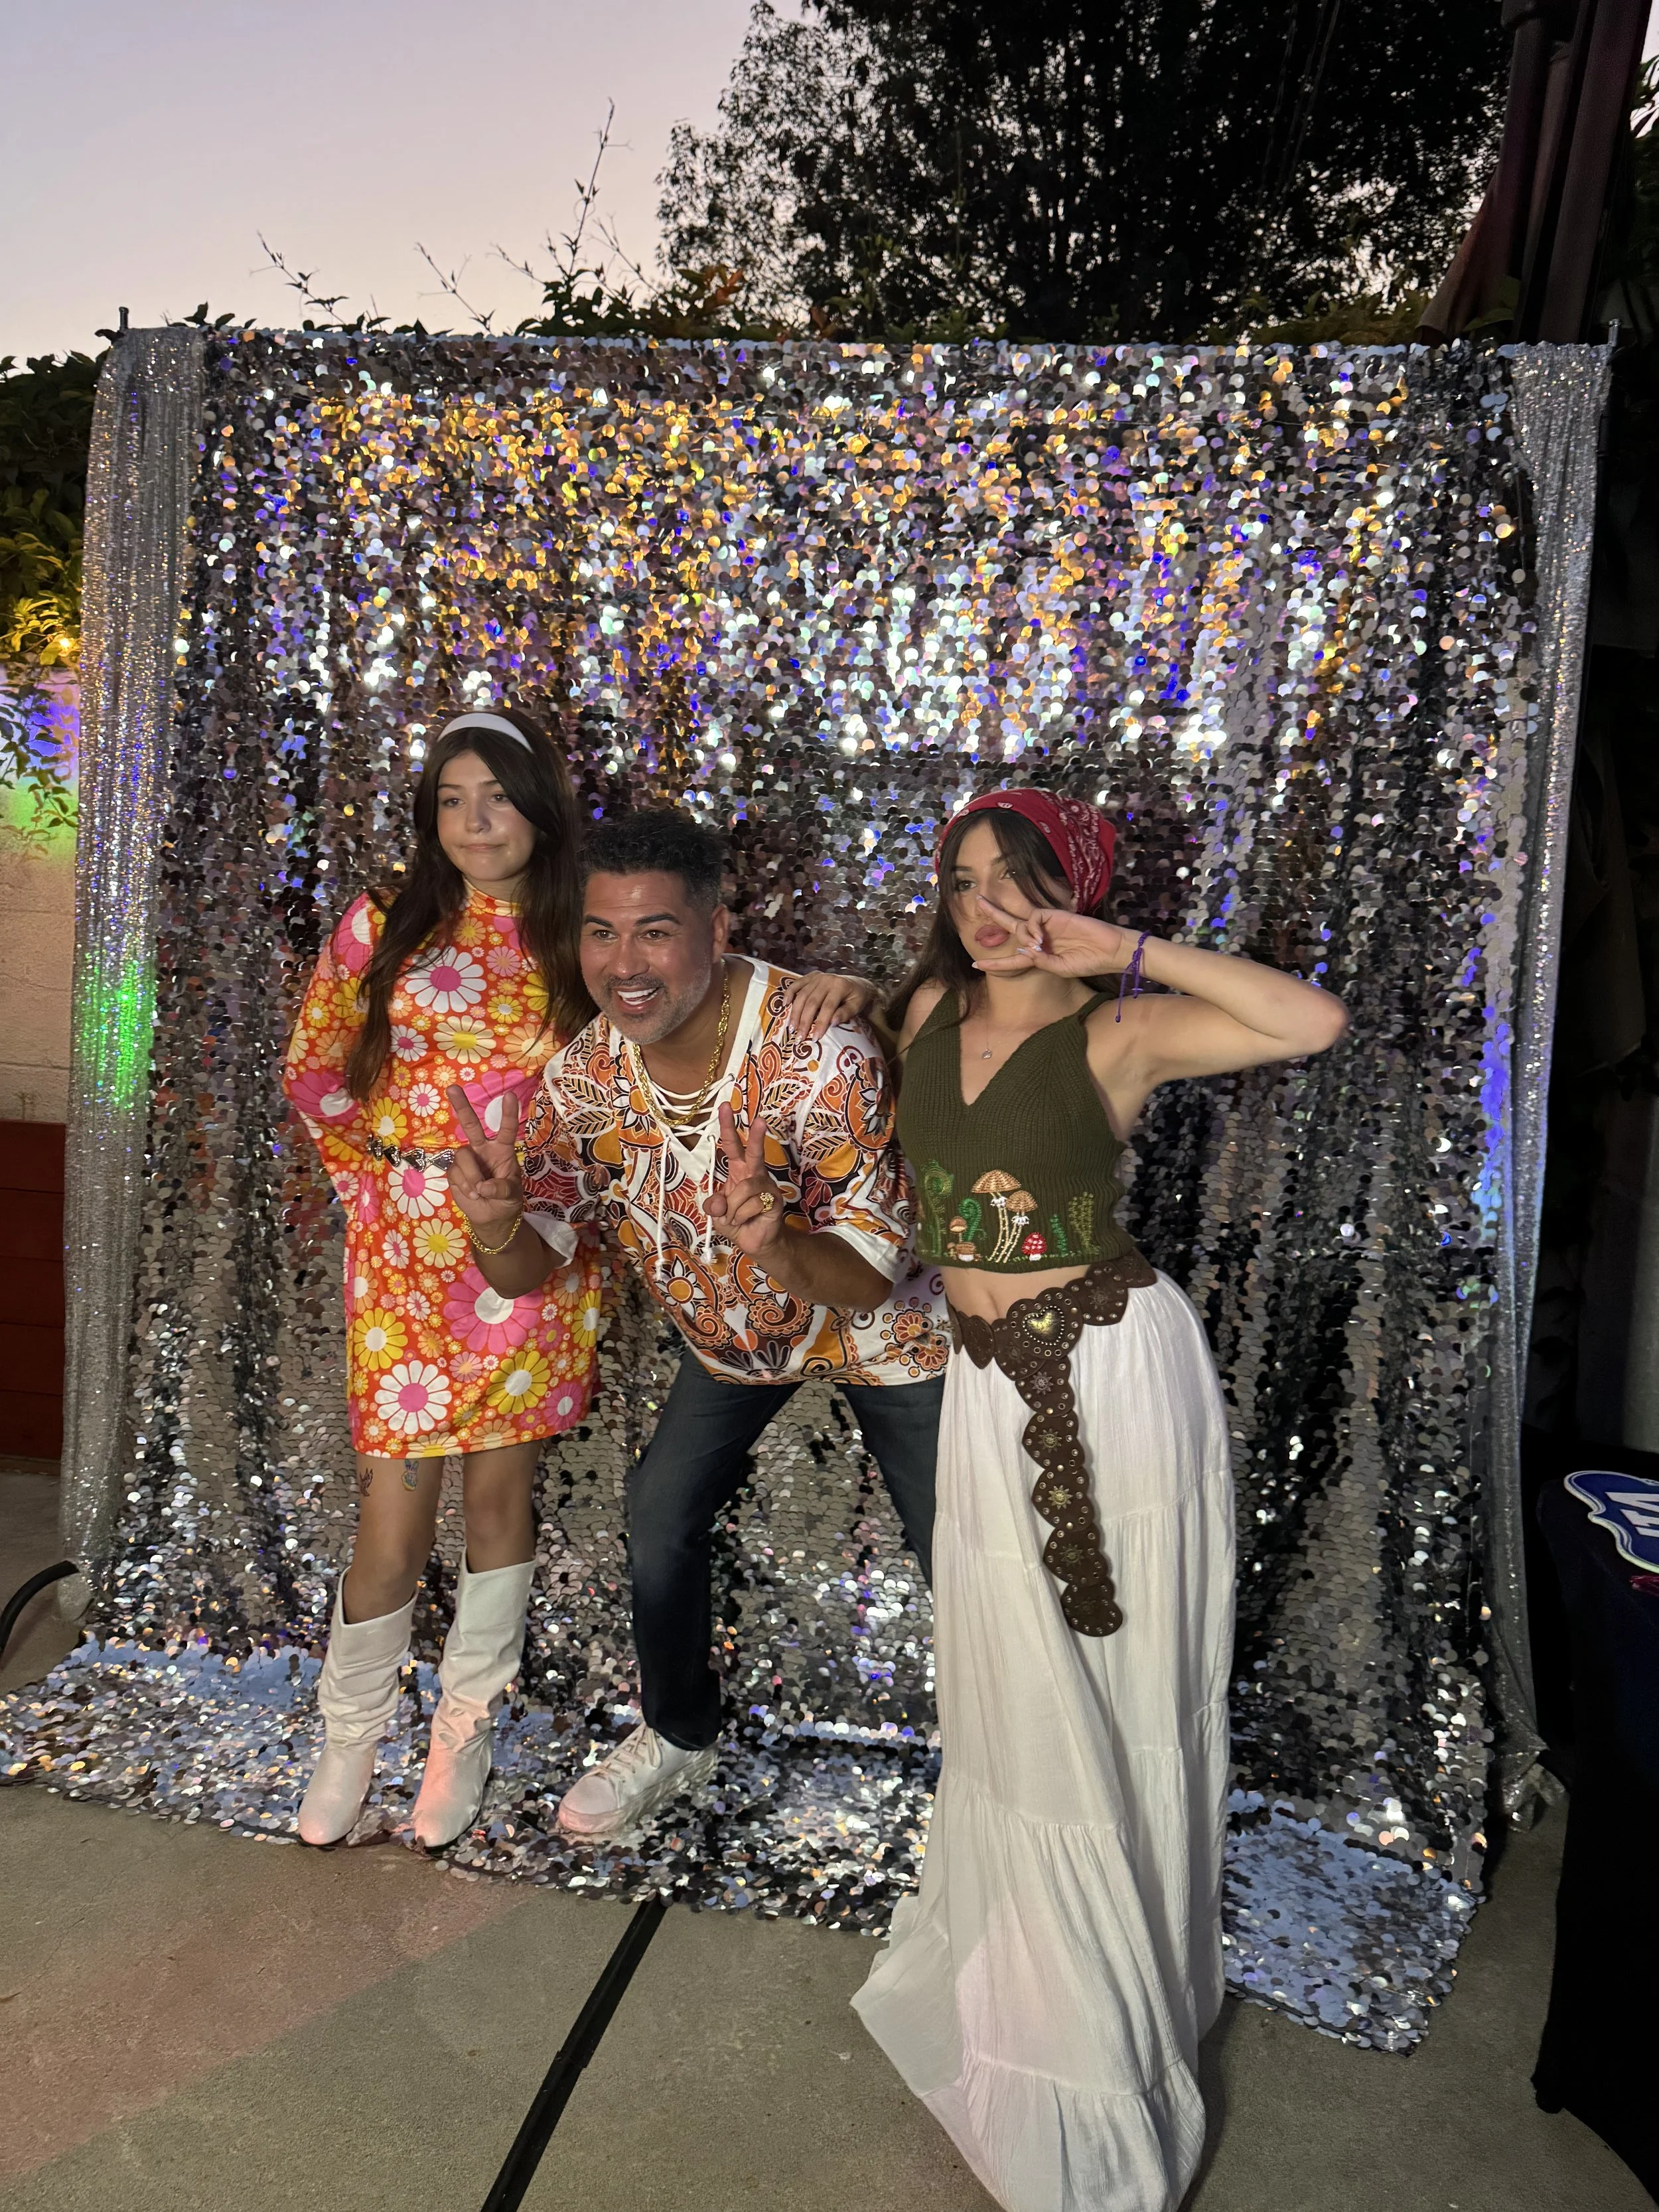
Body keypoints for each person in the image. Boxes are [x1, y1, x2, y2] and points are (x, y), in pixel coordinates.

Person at [849, 788, 1349, 2212]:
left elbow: (1303, 1022)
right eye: (962, 880)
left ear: (1074, 890)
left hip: (1116, 1381)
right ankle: (1034, 1987)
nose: (988, 904)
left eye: (1020, 880)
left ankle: (1108, 2027)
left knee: (1121, 1688)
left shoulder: (1117, 1030)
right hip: (987, 1390)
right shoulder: (922, 1021)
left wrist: (1121, 946)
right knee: (1014, 1695)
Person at [442, 806, 949, 1840]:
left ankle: (1009, 1768)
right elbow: (530, 1263)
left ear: (718, 932)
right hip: (732, 1338)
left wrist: (773, 1244)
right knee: (656, 1522)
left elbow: (863, 1283)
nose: (623, 964)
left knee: (963, 1549)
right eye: (600, 932)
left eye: (655, 931)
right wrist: (491, 1223)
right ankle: (677, 1732)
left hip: (885, 1331)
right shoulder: (584, 1079)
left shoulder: (819, 1051)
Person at [282, 705, 605, 1850]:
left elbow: (645, 1062)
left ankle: (460, 1741)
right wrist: (370, 1189)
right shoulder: (388, 919)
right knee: (393, 1509)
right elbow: (316, 1066)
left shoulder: (585, 930)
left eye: (500, 797)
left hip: (524, 1248)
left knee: (496, 1500)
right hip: (402, 1249)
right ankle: (348, 1742)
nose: (477, 822)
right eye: (453, 800)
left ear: (541, 807)